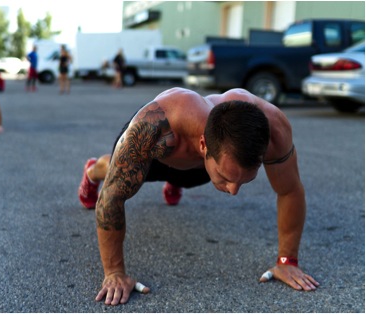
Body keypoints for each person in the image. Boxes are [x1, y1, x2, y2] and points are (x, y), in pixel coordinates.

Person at [77, 87, 320, 306]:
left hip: (202, 166)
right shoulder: (154, 127)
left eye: (245, 180)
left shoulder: (274, 130)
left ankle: (180, 180)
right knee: (116, 174)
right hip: (162, 152)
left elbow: (289, 190)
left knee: (195, 178)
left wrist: (287, 260)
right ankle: (91, 170)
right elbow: (111, 199)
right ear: (203, 145)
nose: (233, 192)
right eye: (227, 179)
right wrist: (114, 272)